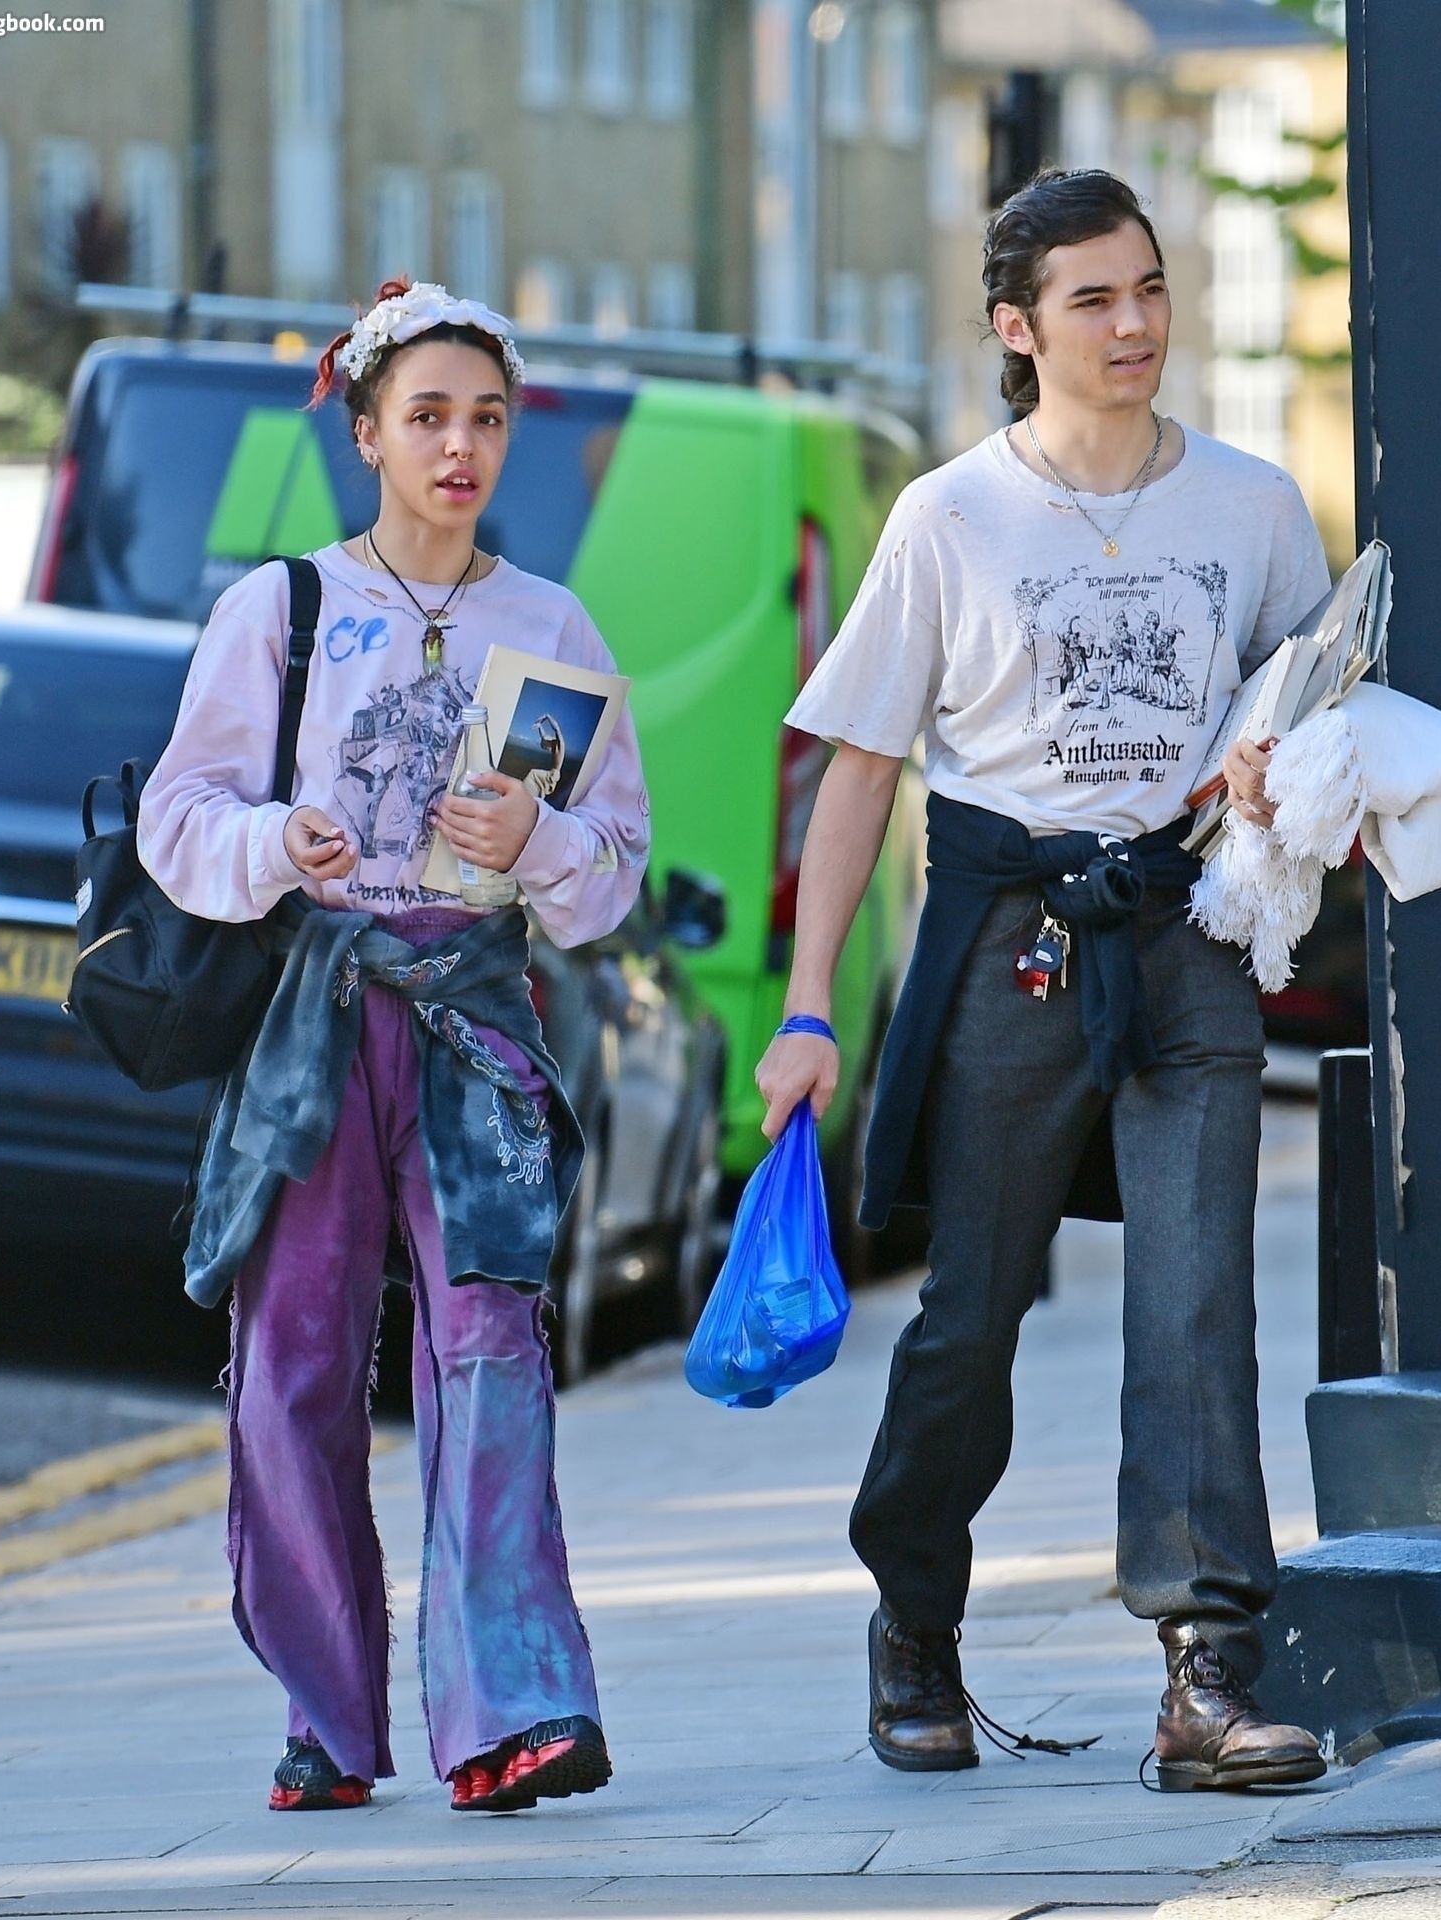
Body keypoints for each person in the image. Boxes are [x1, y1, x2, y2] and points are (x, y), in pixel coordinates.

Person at [756, 170, 1331, 1794]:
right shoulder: (949, 515)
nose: (1134, 323)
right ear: (1017, 328)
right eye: (1094, 299)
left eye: (1148, 289)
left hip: (1186, 930)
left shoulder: (1251, 505)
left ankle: (1207, 1673)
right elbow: (859, 767)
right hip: (1010, 940)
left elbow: (1312, 707)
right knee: (971, 1314)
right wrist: (807, 1009)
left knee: (1197, 1302)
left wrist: (1283, 772)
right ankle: (913, 1619)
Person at [138, 278, 650, 1815]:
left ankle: (510, 1710)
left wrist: (537, 837)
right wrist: (273, 843)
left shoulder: (549, 626)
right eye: (426, 416)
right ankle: (325, 1713)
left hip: (477, 1015)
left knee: (491, 1347)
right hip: (313, 1007)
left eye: (485, 418)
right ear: (364, 432)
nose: (458, 447)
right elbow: (179, 814)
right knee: (291, 1366)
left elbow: (612, 877)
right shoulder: (280, 609)